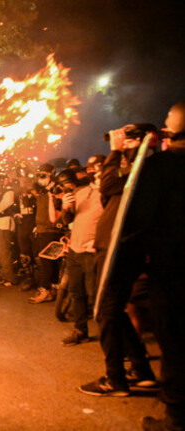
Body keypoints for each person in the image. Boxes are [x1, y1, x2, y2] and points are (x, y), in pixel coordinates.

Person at [118, 101, 185, 431]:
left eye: (169, 127)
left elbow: (135, 223)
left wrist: (124, 274)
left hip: (172, 273)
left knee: (174, 346)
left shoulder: (162, 166)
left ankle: (176, 419)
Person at [79, 125, 158, 397]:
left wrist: (114, 152)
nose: (123, 143)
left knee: (106, 312)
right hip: (113, 246)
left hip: (120, 250)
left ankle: (115, 380)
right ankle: (141, 371)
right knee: (113, 311)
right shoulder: (135, 170)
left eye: (129, 139)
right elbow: (110, 197)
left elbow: (109, 183)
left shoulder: (144, 168)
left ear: (141, 141)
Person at [55, 160, 104, 346]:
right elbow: (68, 220)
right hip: (75, 250)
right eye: (90, 167)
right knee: (76, 292)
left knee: (96, 297)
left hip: (93, 252)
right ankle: (80, 330)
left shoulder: (109, 194)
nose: (92, 170)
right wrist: (65, 207)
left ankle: (112, 337)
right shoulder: (79, 192)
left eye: (97, 167)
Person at [29, 163, 63, 303]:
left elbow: (58, 214)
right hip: (43, 230)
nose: (40, 178)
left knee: (47, 263)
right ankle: (52, 290)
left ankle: (45, 290)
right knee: (49, 262)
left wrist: (53, 194)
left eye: (43, 175)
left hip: (51, 231)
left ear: (52, 174)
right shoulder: (43, 191)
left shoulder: (57, 190)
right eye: (39, 175)